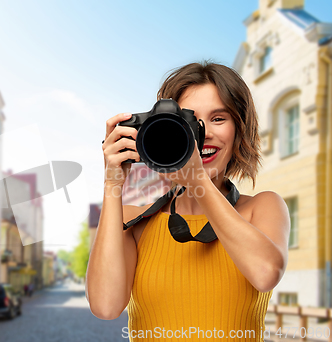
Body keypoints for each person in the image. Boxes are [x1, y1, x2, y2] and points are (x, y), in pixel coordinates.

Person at [85, 61, 290, 341]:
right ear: (164, 130)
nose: (203, 135)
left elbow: (266, 274)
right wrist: (112, 184)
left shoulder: (262, 208)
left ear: (240, 129)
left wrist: (196, 179)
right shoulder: (135, 219)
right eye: (191, 121)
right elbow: (105, 306)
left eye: (219, 119)